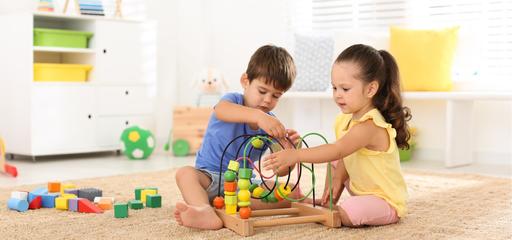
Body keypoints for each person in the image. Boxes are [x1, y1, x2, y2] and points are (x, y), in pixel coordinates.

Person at [264, 44, 411, 227]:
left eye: (345, 89)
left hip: (385, 202)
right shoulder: (344, 120)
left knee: (350, 209)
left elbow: (338, 149)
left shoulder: (370, 125)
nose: (338, 95)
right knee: (335, 162)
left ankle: (339, 211)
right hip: (362, 191)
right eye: (334, 88)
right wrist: (339, 177)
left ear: (371, 89)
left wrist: (296, 155)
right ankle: (329, 201)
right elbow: (344, 154)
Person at [174, 45, 300, 230]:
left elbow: (281, 172)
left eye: (276, 96)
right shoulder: (232, 100)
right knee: (185, 174)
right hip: (209, 178)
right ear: (245, 81)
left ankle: (227, 204)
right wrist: (258, 116)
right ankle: (203, 210)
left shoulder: (270, 123)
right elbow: (222, 111)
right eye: (262, 91)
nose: (267, 100)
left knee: (293, 193)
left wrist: (289, 152)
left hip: (244, 185)